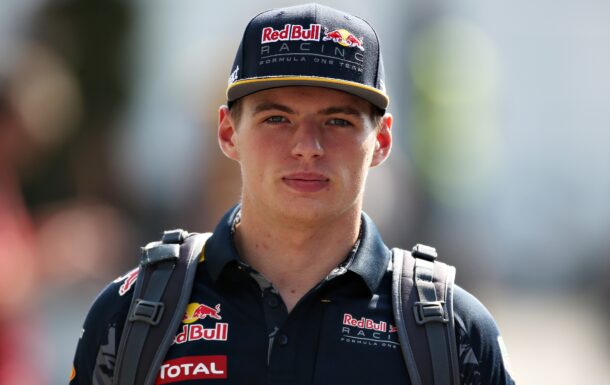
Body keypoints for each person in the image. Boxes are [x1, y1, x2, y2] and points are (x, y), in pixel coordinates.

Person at [69, 3, 515, 385]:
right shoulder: (132, 313)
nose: (307, 147)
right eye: (277, 119)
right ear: (228, 132)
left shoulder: (452, 331)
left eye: (337, 121)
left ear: (381, 141)